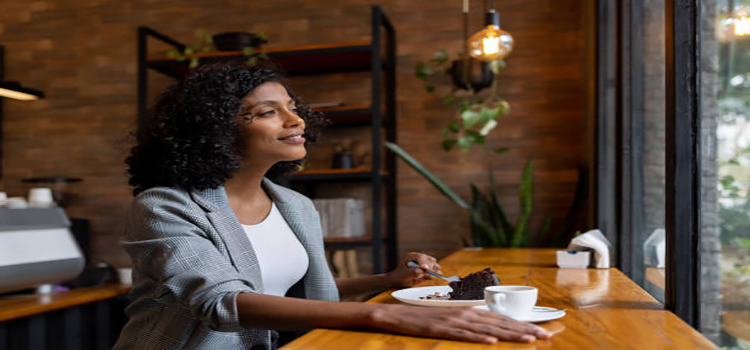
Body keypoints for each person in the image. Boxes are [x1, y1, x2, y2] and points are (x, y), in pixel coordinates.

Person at [113, 63, 551, 350]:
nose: (296, 119)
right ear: (213, 129)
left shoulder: (296, 206)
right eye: (269, 111)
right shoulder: (165, 206)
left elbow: (300, 294)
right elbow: (223, 301)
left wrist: (388, 280)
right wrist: (385, 314)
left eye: (293, 107)